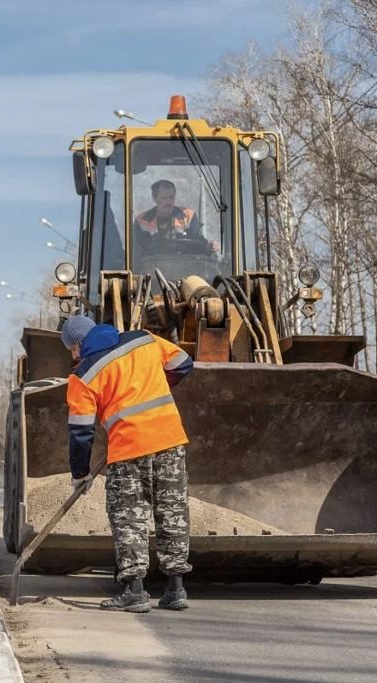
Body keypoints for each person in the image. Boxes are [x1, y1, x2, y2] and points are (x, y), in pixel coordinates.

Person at [62, 315, 194, 613]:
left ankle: (134, 591)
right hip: (170, 441)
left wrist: (80, 474)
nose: (72, 355)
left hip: (128, 450)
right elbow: (183, 363)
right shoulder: (144, 339)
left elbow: (81, 432)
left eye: (71, 349)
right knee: (172, 511)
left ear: (77, 345)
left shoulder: (82, 376)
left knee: (129, 519)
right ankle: (176, 589)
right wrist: (157, 384)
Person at [133, 179, 217, 254]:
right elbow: (137, 252)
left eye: (171, 197)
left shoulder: (188, 216)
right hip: (152, 267)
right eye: (164, 198)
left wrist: (208, 247)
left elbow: (198, 244)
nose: (168, 201)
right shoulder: (142, 221)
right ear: (155, 198)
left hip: (185, 267)